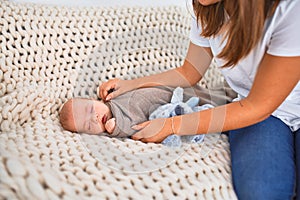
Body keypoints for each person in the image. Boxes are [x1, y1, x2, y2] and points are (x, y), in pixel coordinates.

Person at [98, 0, 300, 199]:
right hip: (258, 113)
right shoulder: (207, 9)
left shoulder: (289, 9)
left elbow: (259, 106)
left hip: (261, 107)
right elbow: (189, 72)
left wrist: (171, 125)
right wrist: (132, 84)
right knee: (261, 192)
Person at [59, 85, 232, 143]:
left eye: (91, 110)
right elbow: (134, 128)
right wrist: (116, 127)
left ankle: (232, 95)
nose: (95, 118)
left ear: (96, 100)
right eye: (89, 125)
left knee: (210, 95)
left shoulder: (114, 99)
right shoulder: (115, 126)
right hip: (173, 106)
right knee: (214, 114)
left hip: (172, 93)